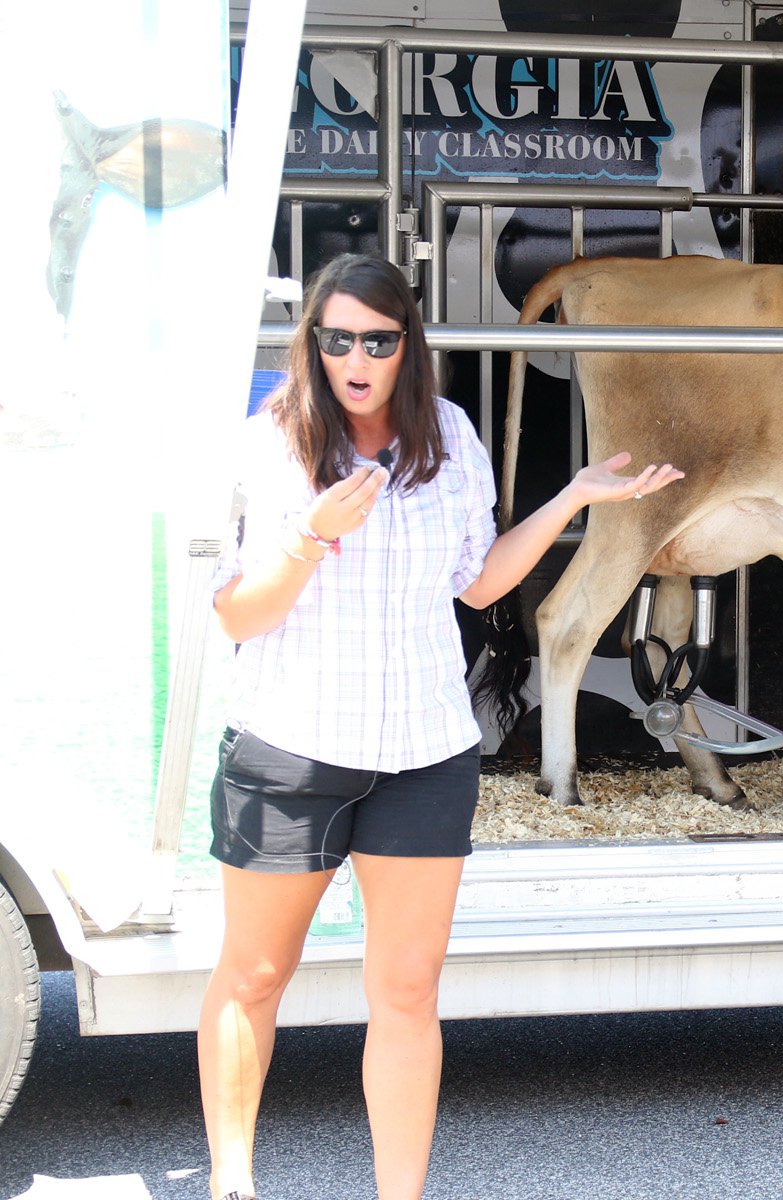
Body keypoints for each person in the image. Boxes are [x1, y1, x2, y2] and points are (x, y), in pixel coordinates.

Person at [197, 253, 683, 1200]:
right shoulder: (272, 443)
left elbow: (480, 580)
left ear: (406, 346)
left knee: (409, 994)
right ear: (314, 345)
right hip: (292, 747)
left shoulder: (449, 435)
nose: (356, 357)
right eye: (336, 338)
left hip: (423, 753)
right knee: (255, 976)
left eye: (378, 339)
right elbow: (239, 617)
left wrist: (574, 498)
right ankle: (233, 1181)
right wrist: (310, 537)